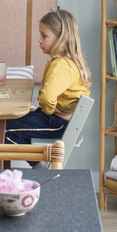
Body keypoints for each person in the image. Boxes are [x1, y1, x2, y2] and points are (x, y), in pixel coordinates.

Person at [5, 9, 90, 145]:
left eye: (44, 36)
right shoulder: (67, 63)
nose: (40, 40)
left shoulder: (61, 66)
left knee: (3, 130)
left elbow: (46, 99)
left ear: (61, 38)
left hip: (56, 123)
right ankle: (38, 163)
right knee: (7, 124)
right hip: (56, 120)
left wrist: (50, 110)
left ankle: (38, 164)